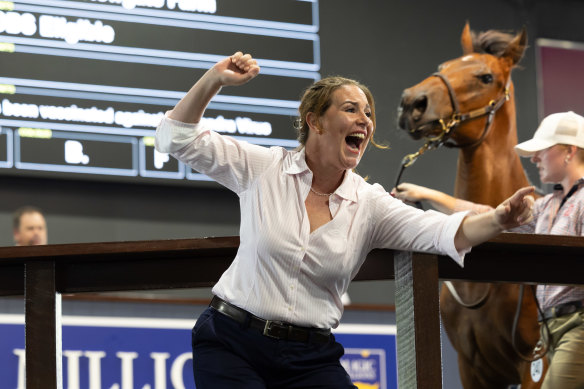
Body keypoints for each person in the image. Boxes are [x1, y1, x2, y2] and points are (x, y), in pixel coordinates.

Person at [154, 51, 534, 389]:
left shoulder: (369, 203)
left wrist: (500, 218)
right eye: (351, 109)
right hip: (230, 341)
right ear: (315, 122)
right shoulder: (264, 168)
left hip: (309, 357)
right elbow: (177, 139)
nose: (364, 120)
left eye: (367, 113)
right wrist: (214, 79)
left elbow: (442, 232)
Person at [392, 111, 584, 389]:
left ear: (569, 151)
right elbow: (490, 216)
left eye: (542, 150)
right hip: (552, 329)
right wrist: (430, 195)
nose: (534, 157)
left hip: (576, 324)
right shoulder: (547, 205)